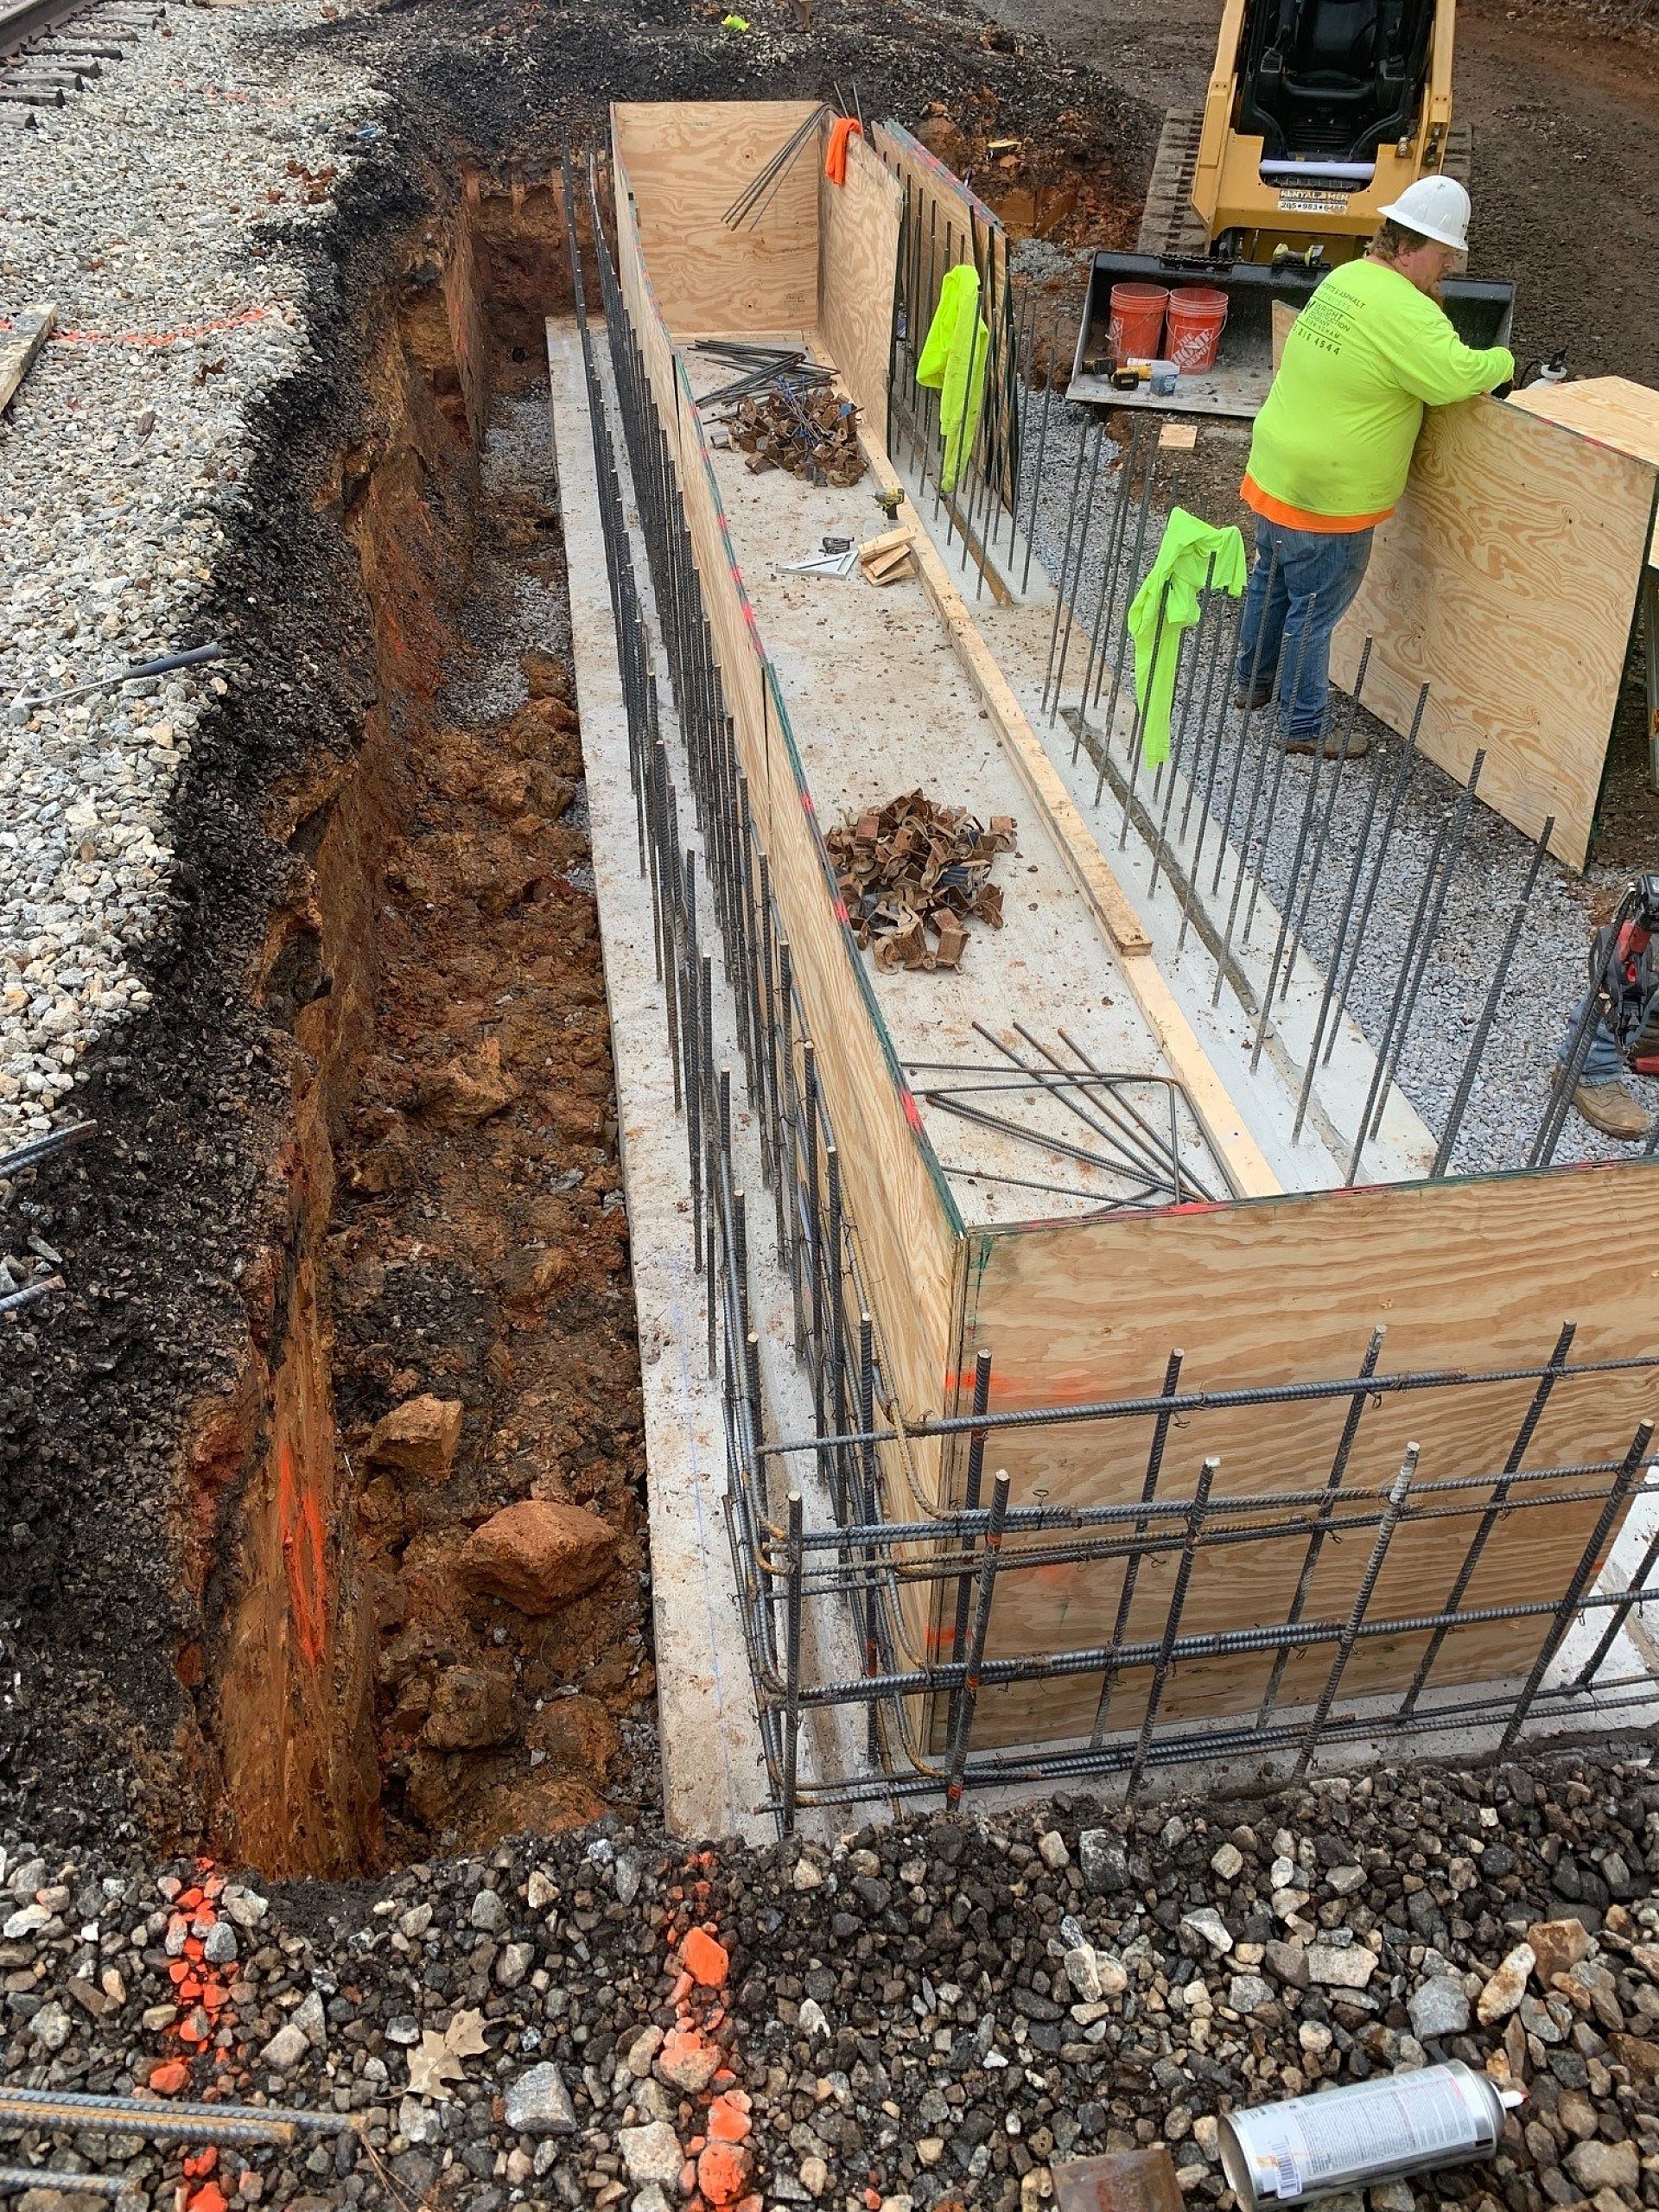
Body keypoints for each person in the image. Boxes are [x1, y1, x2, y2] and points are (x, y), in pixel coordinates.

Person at [1233, 175, 1516, 757]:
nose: (1449, 267)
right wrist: (1504, 360)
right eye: (1444, 255)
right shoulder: (1409, 312)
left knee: (1273, 577)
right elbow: (1453, 378)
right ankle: (1303, 728)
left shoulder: (1347, 277)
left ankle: (1252, 687)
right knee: (1313, 610)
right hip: (1329, 490)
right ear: (1410, 249)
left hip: (1277, 466)